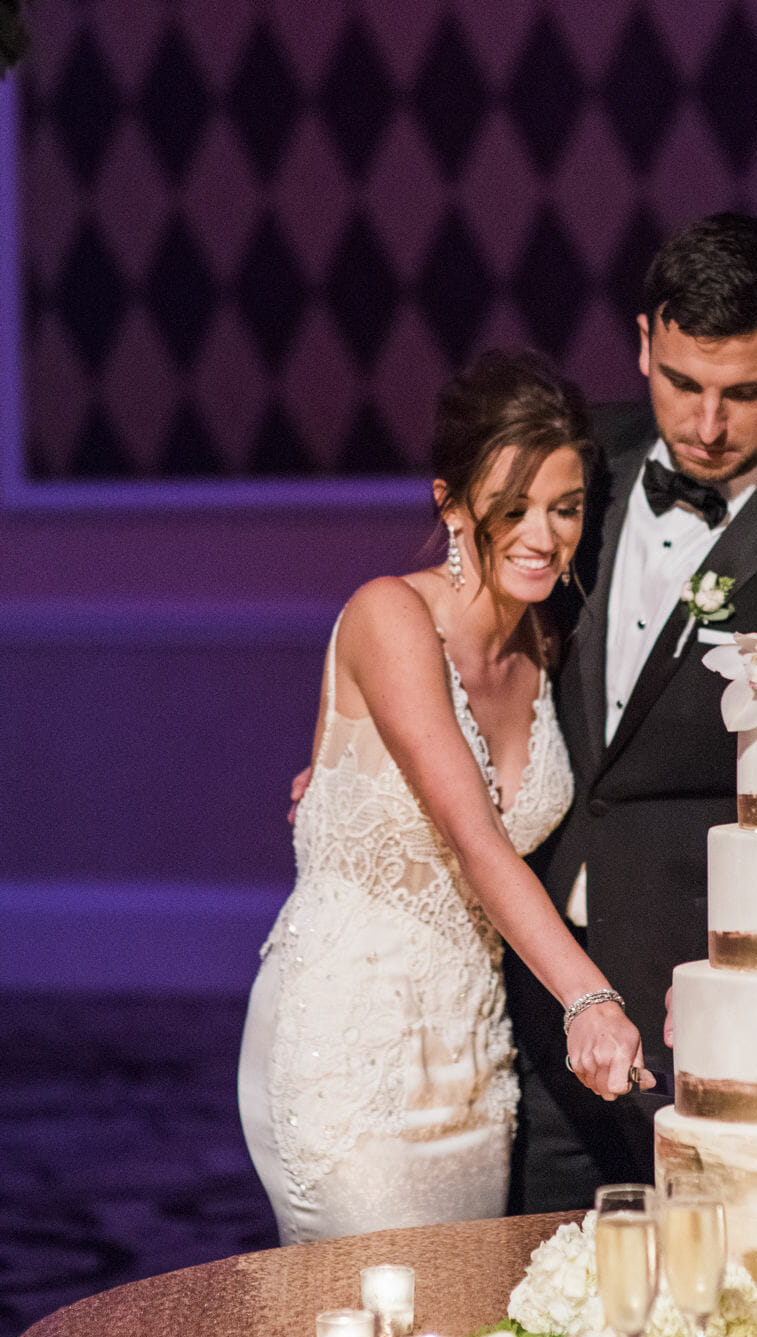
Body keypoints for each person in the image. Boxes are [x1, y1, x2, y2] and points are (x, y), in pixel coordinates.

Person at [505, 212, 757, 1213]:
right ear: (644, 338)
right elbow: (450, 626)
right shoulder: (569, 462)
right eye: (681, 383)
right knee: (509, 1296)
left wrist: (737, 994)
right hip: (516, 977)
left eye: (744, 393)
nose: (704, 426)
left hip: (695, 1001)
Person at [239, 349, 651, 1245]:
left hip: (473, 1057)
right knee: (366, 1336)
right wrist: (591, 1001)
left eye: (565, 507)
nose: (542, 535)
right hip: (351, 1047)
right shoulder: (392, 615)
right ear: (450, 501)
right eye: (512, 508)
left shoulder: (545, 646)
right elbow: (475, 841)